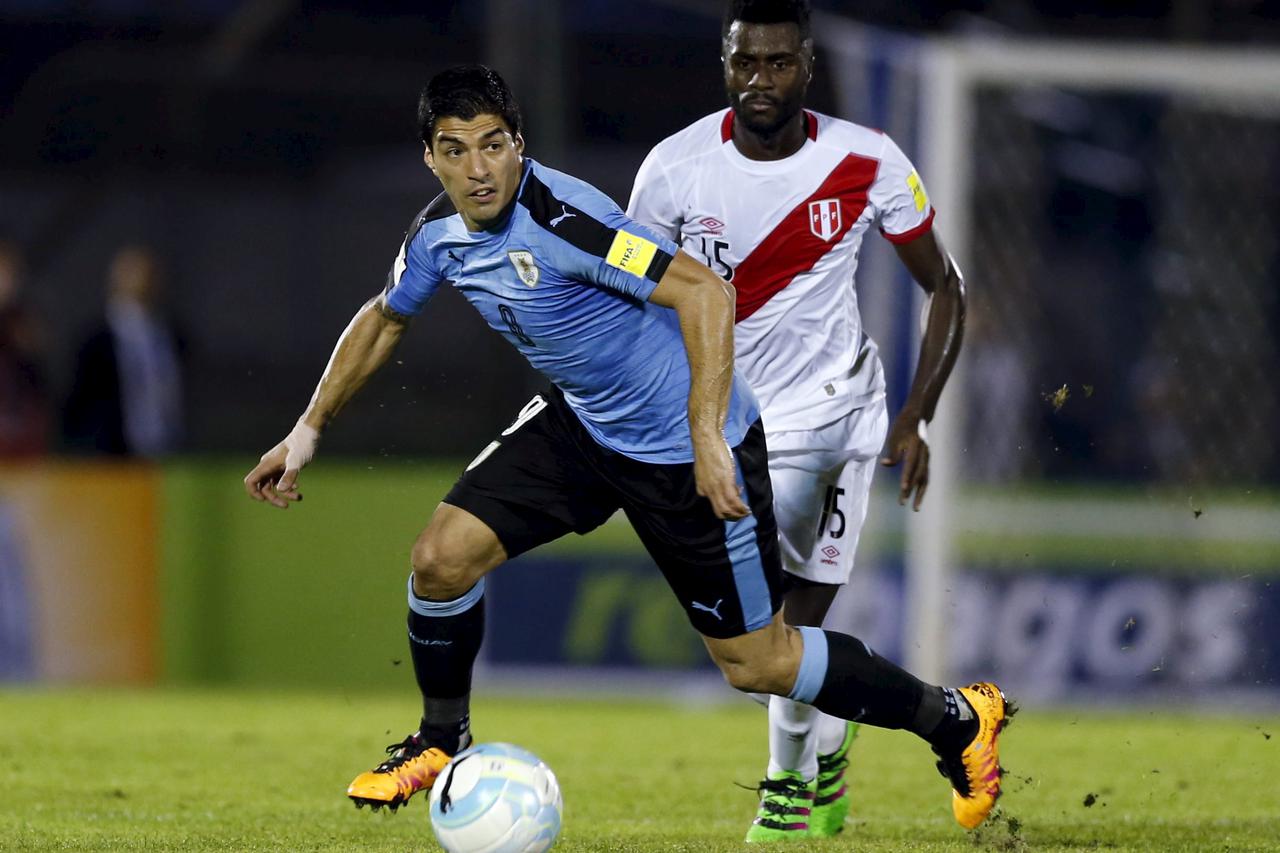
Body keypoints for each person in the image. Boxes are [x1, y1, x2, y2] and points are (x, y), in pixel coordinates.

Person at [243, 64, 1008, 836]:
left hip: (685, 442)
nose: (478, 169)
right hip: (583, 424)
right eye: (455, 150)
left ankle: (955, 721)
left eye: (493, 145)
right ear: (430, 159)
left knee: (759, 663)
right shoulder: (437, 235)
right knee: (440, 560)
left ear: (520, 145)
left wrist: (707, 434)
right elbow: (385, 316)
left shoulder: (567, 220)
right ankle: (443, 740)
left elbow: (705, 291)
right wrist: (307, 430)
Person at [626, 0, 973, 840]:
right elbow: (630, 294)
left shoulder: (868, 160)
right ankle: (832, 732)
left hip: (836, 418)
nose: (761, 80)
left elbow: (949, 289)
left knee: (787, 632)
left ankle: (785, 791)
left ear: (807, 67)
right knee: (770, 651)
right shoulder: (674, 170)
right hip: (731, 425)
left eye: (778, 63)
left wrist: (915, 416)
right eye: (746, 62)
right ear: (725, 63)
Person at [63, 245, 184, 457]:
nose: (140, 279)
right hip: (111, 452)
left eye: (147, 273)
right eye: (131, 272)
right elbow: (80, 400)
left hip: (164, 447)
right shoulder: (96, 340)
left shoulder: (169, 335)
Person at [0, 240, 50, 457]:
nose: (9, 283)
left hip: (22, 436)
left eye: (13, 275)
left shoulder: (23, 321)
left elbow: (37, 361)